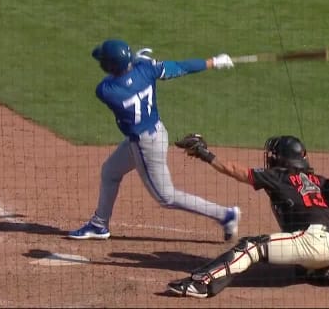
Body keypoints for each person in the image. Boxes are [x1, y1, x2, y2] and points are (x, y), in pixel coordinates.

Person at [68, 39, 240, 241]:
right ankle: (99, 224)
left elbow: (117, 79)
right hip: (156, 132)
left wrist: (137, 62)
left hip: (144, 145)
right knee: (110, 171)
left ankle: (226, 215)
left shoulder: (106, 91)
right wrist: (213, 62)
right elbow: (179, 67)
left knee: (166, 197)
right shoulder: (146, 70)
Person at [166, 133, 329, 298]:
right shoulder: (317, 180)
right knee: (301, 259)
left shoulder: (280, 175)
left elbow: (238, 171)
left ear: (280, 158)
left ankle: (201, 283)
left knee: (251, 246)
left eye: (272, 154)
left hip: (313, 242)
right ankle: (328, 270)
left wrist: (204, 154)